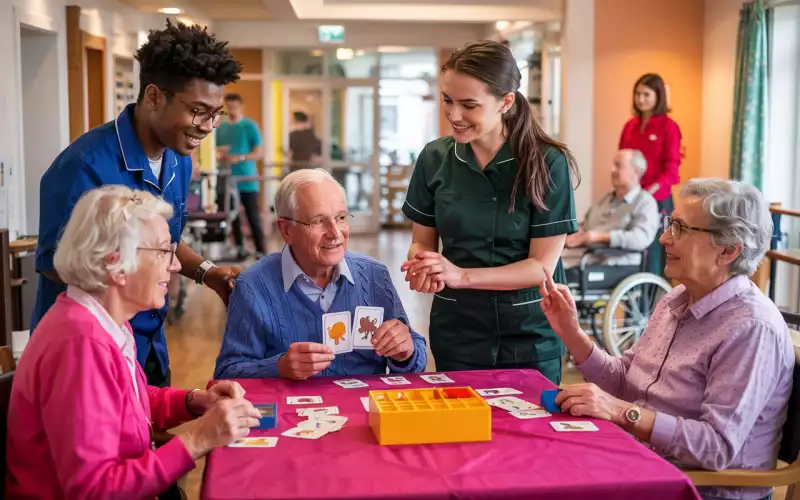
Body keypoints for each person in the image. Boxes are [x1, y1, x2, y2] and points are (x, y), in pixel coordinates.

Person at [540, 178, 792, 500]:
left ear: (728, 250)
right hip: (644, 464)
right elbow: (624, 381)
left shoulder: (751, 328)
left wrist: (620, 411)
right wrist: (570, 331)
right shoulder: (676, 298)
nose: (664, 238)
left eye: (681, 228)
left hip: (698, 488)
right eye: (670, 223)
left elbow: (715, 447)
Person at [6, 187, 261, 499]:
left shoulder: (100, 319)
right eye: (164, 252)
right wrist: (198, 440)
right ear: (118, 266)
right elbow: (95, 491)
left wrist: (194, 401)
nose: (176, 266)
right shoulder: (81, 345)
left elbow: (127, 401)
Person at [31, 20, 243, 387]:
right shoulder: (84, 166)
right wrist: (135, 280)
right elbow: (58, 265)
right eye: (198, 110)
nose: (209, 126)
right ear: (153, 97)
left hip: (147, 344)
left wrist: (206, 272)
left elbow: (165, 243)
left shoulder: (178, 158)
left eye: (216, 114)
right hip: (86, 355)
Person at [400, 40, 579, 384]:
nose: (454, 115)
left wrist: (461, 276)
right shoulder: (434, 159)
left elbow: (541, 266)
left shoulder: (548, 162)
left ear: (505, 102)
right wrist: (423, 264)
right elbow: (421, 241)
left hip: (529, 333)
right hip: (458, 330)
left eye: (469, 105)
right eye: (447, 100)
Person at [214, 169, 427, 380]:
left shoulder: (374, 276)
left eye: (341, 217)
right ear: (286, 230)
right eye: (318, 221)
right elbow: (227, 372)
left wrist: (405, 352)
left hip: (365, 402)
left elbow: (415, 356)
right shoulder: (253, 285)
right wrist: (279, 367)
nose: (335, 233)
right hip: (291, 403)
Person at [619, 73, 683, 276]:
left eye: (646, 94)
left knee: (654, 253)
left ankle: (655, 294)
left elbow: (671, 169)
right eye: (637, 94)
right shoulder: (630, 126)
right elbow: (622, 160)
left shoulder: (669, 127)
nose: (641, 99)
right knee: (629, 249)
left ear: (658, 96)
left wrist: (648, 192)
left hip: (657, 200)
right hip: (631, 198)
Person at [562, 149, 659, 276]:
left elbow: (640, 238)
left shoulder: (645, 202)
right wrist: (574, 233)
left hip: (616, 265)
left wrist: (597, 236)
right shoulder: (605, 199)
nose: (612, 170)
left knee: (558, 276)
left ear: (636, 171)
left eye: (618, 165)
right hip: (587, 259)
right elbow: (586, 225)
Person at [217, 93, 267, 260]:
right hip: (227, 179)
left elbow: (259, 153)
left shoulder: (250, 126)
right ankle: (240, 250)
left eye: (235, 107)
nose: (232, 110)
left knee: (252, 216)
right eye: (229, 107)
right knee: (233, 217)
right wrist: (219, 153)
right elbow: (215, 150)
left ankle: (261, 251)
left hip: (247, 180)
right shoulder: (221, 128)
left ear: (241, 107)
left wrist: (241, 157)